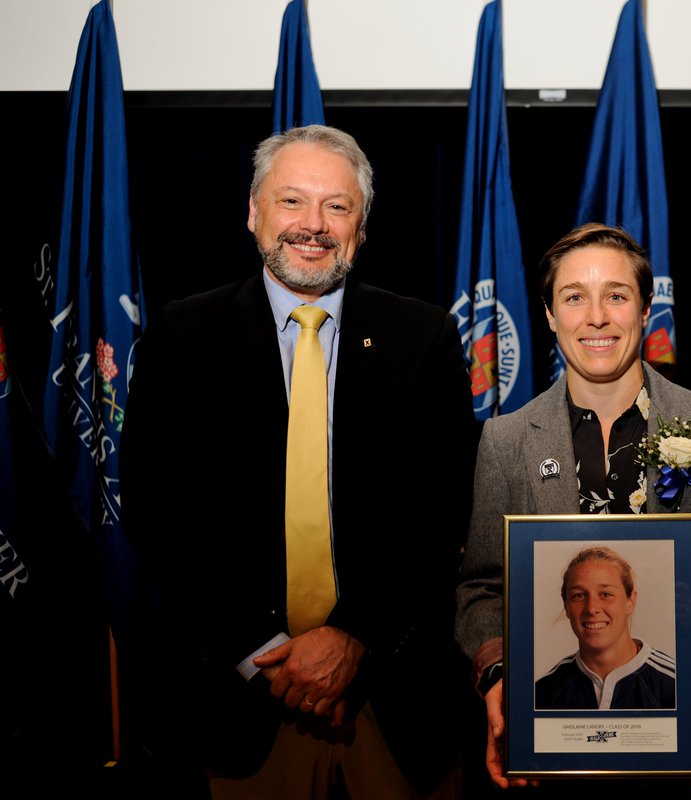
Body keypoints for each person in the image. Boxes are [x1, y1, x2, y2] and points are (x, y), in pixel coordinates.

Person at [121, 124, 476, 799]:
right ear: (254, 214)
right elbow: (157, 509)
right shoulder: (184, 335)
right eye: (292, 202)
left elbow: (442, 510)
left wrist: (354, 640)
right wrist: (266, 656)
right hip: (241, 702)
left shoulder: (423, 337)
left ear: (361, 227)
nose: (313, 225)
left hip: (393, 698)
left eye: (337, 207)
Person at [455, 223, 691, 791]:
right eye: (574, 297)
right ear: (548, 314)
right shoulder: (506, 440)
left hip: (673, 738)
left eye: (616, 295)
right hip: (549, 743)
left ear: (644, 311)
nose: (596, 317)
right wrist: (499, 675)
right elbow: (481, 587)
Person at [535, 546, 676, 711]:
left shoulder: (676, 685)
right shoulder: (542, 692)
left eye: (606, 594)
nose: (592, 608)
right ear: (566, 606)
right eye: (579, 596)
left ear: (631, 601)